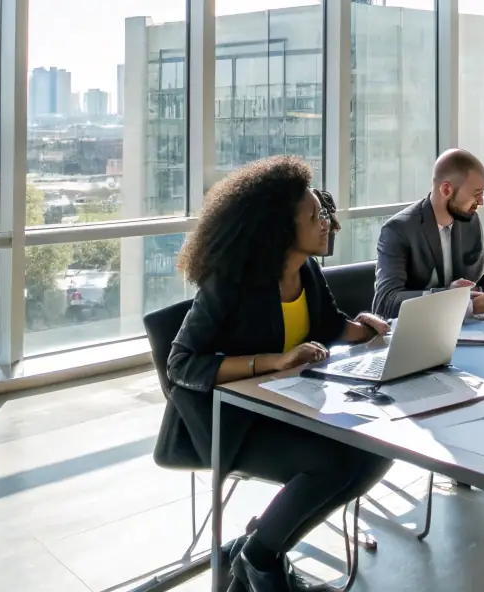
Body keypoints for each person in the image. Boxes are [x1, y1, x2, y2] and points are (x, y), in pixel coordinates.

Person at [166, 156, 392, 592]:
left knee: (377, 449)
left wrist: (366, 328)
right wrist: (271, 360)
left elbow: (329, 324)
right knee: (333, 462)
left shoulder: (305, 270)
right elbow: (181, 363)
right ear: (280, 229)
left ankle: (258, 549)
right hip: (228, 422)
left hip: (285, 406)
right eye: (314, 216)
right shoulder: (231, 282)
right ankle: (261, 558)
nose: (325, 221)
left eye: (322, 212)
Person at [371, 148, 484, 319]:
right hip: (419, 336)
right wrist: (467, 303)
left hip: (467, 334)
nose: (481, 201)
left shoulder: (470, 222)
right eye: (476, 194)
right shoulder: (398, 230)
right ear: (446, 190)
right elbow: (385, 303)